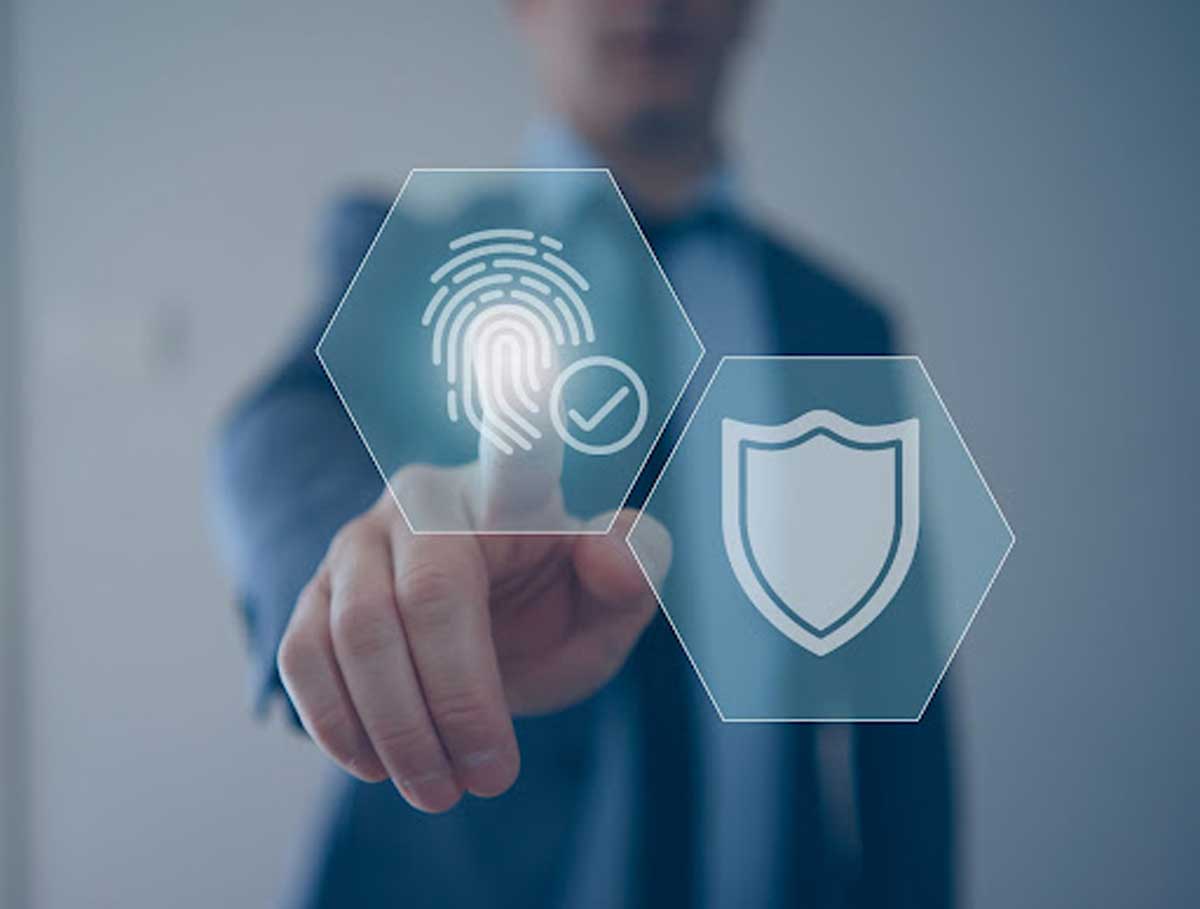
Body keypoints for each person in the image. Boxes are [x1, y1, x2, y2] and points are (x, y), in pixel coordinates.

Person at [212, 1, 955, 906]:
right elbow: (281, 428)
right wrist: (360, 568)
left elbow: (900, 704)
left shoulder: (842, 326)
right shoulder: (419, 254)